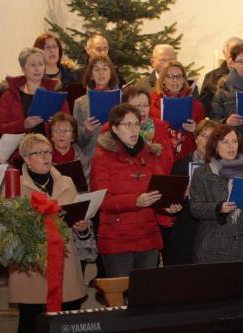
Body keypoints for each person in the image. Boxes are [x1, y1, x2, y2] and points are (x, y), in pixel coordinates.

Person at [90, 104, 181, 277]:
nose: (134, 129)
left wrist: (167, 207)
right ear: (115, 129)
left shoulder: (151, 155)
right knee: (121, 296)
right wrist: (135, 201)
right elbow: (102, 200)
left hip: (148, 236)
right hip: (117, 238)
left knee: (146, 295)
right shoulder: (102, 157)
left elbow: (159, 191)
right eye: (127, 125)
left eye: (136, 124)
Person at [11, 133, 88, 333]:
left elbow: (75, 216)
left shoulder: (68, 181)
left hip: (65, 259)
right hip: (32, 264)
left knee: (68, 319)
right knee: (31, 320)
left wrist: (82, 226)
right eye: (39, 153)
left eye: (48, 152)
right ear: (27, 159)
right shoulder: (14, 186)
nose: (46, 157)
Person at [189, 124, 243, 292]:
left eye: (234, 142)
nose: (232, 147)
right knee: (215, 303)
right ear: (215, 145)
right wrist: (219, 208)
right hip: (213, 247)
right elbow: (195, 207)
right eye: (225, 142)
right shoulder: (202, 173)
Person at [161, 118, 219, 266]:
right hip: (185, 229)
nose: (207, 141)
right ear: (196, 138)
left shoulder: (222, 167)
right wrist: (182, 194)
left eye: (211, 137)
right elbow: (169, 203)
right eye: (203, 136)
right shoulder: (180, 164)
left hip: (212, 229)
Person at [48, 112, 97, 272]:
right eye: (56, 130)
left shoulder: (83, 160)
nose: (61, 134)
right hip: (50, 214)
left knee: (75, 269)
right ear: (51, 136)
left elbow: (87, 189)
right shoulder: (42, 158)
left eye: (66, 131)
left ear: (73, 136)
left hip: (77, 212)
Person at [0, 47, 69, 136]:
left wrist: (56, 123)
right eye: (32, 65)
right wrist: (23, 125)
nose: (37, 68)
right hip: (20, 148)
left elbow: (69, 124)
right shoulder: (9, 96)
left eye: (41, 64)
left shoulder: (55, 94)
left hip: (49, 147)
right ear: (23, 69)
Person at [148, 61, 206, 162]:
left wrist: (195, 130)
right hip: (158, 155)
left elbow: (205, 136)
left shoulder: (196, 106)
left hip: (186, 157)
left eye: (179, 76)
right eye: (170, 76)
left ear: (184, 80)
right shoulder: (151, 102)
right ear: (163, 80)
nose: (175, 80)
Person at [73, 55, 120, 158]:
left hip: (116, 156)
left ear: (111, 73)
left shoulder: (120, 99)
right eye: (96, 69)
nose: (101, 73)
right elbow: (77, 141)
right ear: (91, 75)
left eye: (105, 68)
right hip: (91, 158)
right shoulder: (80, 103)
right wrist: (87, 130)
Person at [121, 86, 175, 172]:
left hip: (153, 179)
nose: (142, 110)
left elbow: (167, 160)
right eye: (137, 106)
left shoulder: (159, 126)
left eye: (145, 105)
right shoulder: (116, 126)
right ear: (125, 108)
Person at [200, 37, 243, 114]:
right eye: (231, 56)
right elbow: (204, 108)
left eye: (238, 56)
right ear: (224, 53)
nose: (235, 60)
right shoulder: (211, 77)